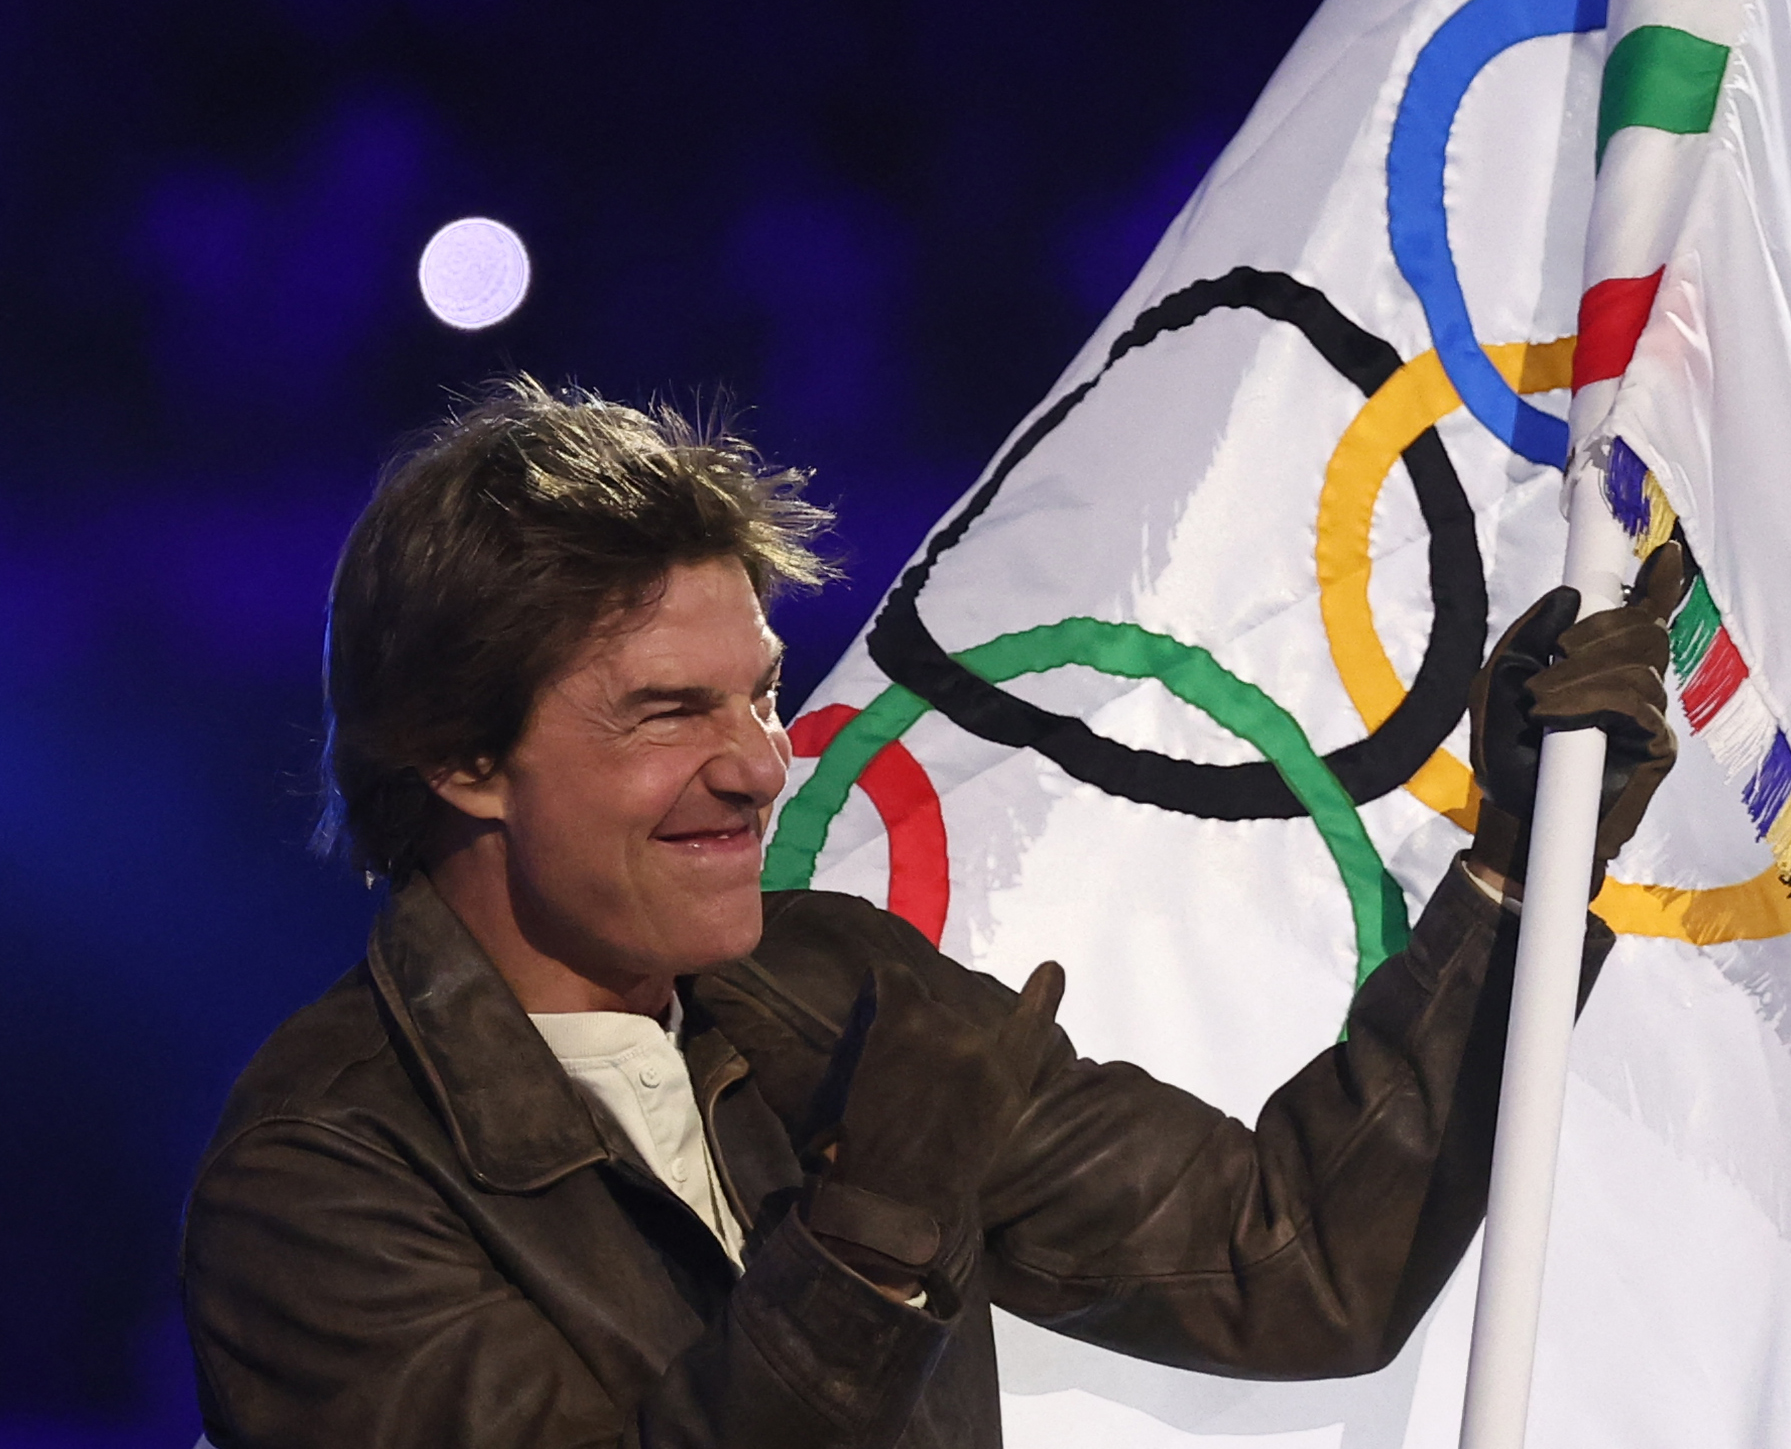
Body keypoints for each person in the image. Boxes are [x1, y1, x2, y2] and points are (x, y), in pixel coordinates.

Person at [180, 376, 1681, 1448]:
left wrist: (1516, 872)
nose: (756, 765)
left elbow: (1292, 1268)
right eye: (663, 713)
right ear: (460, 756)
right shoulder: (314, 1188)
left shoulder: (836, 993)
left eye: (762, 693)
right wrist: (869, 1248)